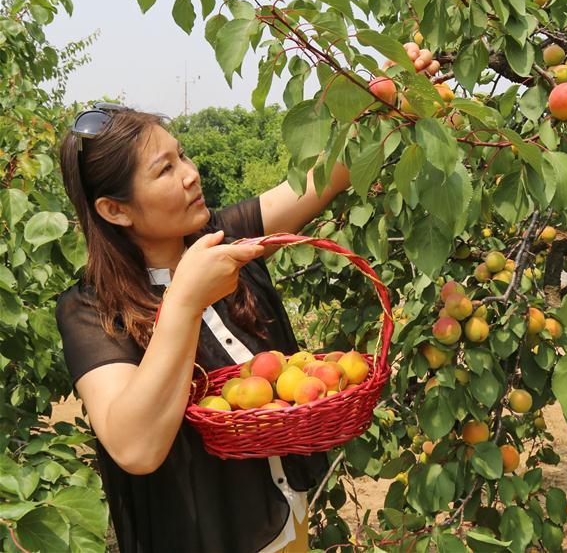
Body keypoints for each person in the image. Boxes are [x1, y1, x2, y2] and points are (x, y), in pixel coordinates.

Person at [54, 102, 351, 552]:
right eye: (164, 170)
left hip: (288, 518)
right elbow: (135, 447)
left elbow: (327, 175)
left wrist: (374, 105)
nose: (190, 174)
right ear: (115, 210)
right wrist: (185, 301)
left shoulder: (221, 238)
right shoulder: (90, 310)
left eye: (183, 156)